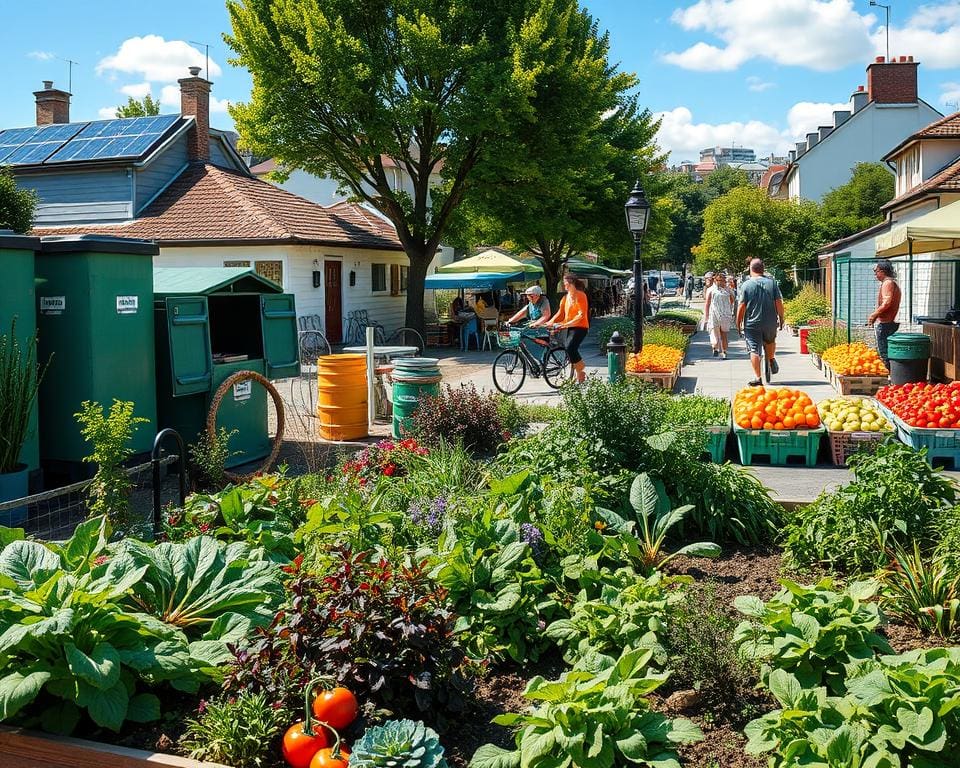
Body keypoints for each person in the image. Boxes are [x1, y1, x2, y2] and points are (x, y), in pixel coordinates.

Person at [736, 258, 784, 386]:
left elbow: (741, 306)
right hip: (770, 322)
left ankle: (758, 378)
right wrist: (781, 317)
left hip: (752, 324)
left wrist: (738, 323)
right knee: (770, 340)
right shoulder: (772, 283)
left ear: (750, 269)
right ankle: (771, 358)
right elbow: (778, 302)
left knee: (754, 349)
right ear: (763, 269)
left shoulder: (745, 285)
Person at [549, 274, 590, 383]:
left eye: (566, 284)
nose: (564, 286)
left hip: (580, 327)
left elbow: (581, 315)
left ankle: (581, 371)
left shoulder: (581, 296)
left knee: (570, 347)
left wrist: (567, 324)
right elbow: (560, 313)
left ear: (572, 283)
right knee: (568, 349)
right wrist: (550, 322)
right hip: (568, 327)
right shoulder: (565, 298)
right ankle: (578, 372)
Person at [867, 260, 902, 370]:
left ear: (882, 271)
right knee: (886, 350)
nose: (875, 274)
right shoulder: (890, 283)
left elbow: (887, 302)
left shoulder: (888, 283)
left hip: (886, 324)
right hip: (887, 322)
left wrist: (874, 315)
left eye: (876, 271)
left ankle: (889, 374)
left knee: (885, 352)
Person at [704, 273, 735, 359]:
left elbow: (732, 299)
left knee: (724, 334)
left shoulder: (728, 290)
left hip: (725, 314)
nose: (720, 282)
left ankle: (724, 351)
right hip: (714, 313)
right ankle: (715, 348)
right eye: (718, 280)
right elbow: (707, 303)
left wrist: (727, 306)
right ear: (715, 280)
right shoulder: (711, 290)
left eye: (722, 281)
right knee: (714, 331)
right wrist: (706, 317)